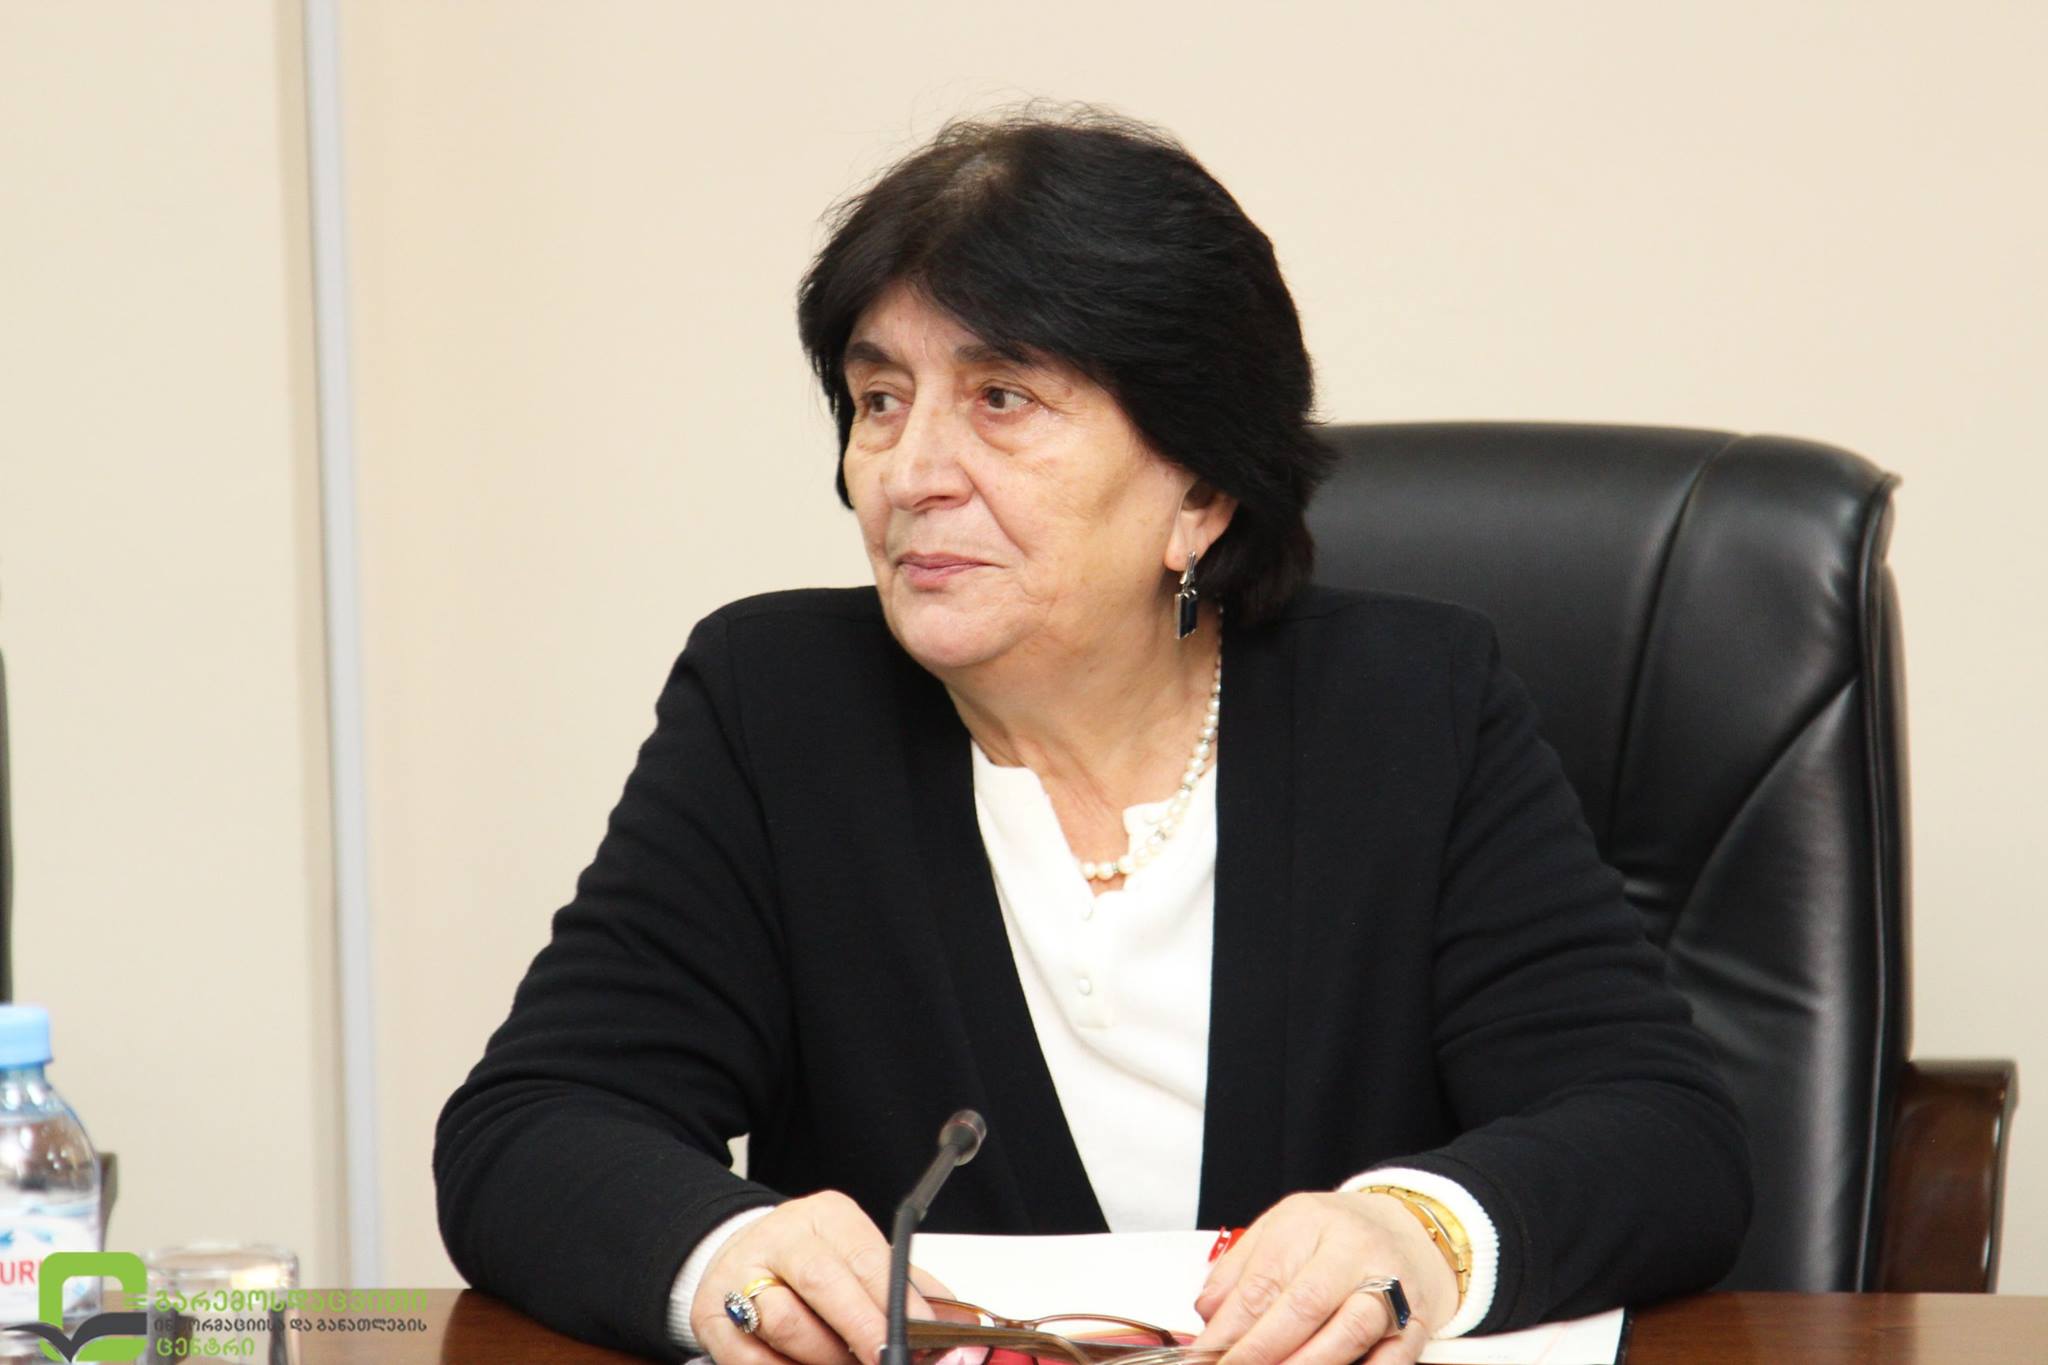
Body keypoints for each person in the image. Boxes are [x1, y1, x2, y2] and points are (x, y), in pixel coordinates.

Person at [433, 102, 1752, 1365]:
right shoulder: (776, 708)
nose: (910, 473)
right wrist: (727, 1250)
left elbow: (1661, 1130)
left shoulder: (1412, 706)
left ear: (1202, 494)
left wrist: (1419, 1232)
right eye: (881, 400)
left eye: (1002, 398)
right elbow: (533, 1126)